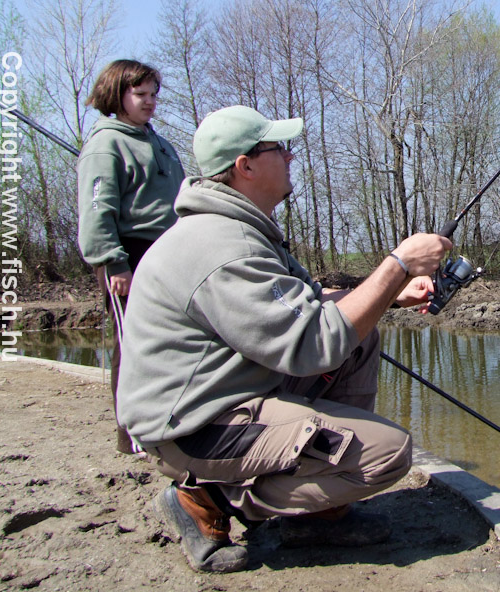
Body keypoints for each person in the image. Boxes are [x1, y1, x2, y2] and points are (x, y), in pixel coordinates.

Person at [117, 105, 451, 573]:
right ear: (245, 166)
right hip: (195, 427)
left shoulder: (239, 231)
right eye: (280, 148)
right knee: (388, 454)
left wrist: (391, 294)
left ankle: (318, 513)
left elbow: (306, 307)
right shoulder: (222, 247)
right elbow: (314, 341)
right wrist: (397, 264)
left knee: (361, 339)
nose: (292, 158)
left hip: (223, 396)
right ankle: (207, 498)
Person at [76, 59, 185, 454]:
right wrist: (113, 262)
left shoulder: (157, 141)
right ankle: (133, 436)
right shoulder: (105, 143)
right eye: (141, 94)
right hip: (130, 254)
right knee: (134, 345)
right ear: (117, 94)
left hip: (167, 255)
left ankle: (167, 423)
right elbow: (96, 211)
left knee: (167, 344)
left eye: (154, 94)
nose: (150, 101)